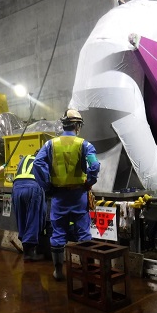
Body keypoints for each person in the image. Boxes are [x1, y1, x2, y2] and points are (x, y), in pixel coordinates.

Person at [33, 109, 100, 280]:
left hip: (58, 197)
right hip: (79, 196)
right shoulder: (85, 145)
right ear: (77, 125)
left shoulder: (50, 144)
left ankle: (58, 271)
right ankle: (88, 271)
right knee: (84, 234)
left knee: (58, 233)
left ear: (64, 124)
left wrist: (47, 186)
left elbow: (38, 163)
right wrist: (89, 182)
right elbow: (94, 165)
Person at [12, 151, 46, 262]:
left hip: (16, 188)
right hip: (32, 188)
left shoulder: (25, 157)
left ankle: (26, 248)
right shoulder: (43, 160)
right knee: (33, 218)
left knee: (21, 217)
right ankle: (29, 253)